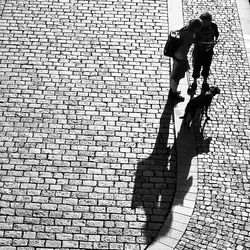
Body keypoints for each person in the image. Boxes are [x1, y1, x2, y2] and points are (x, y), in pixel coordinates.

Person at [170, 19, 203, 102]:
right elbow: (184, 49)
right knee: (177, 76)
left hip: (176, 54)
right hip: (180, 57)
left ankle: (172, 90)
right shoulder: (189, 35)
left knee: (174, 73)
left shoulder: (186, 28)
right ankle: (173, 93)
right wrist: (184, 60)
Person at [189, 12, 219, 94]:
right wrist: (198, 42)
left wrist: (214, 41)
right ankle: (194, 82)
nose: (204, 24)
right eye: (203, 22)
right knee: (196, 66)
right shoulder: (198, 27)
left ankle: (205, 82)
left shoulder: (213, 26)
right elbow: (193, 39)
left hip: (208, 51)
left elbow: (216, 34)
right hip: (198, 51)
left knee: (207, 66)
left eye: (206, 22)